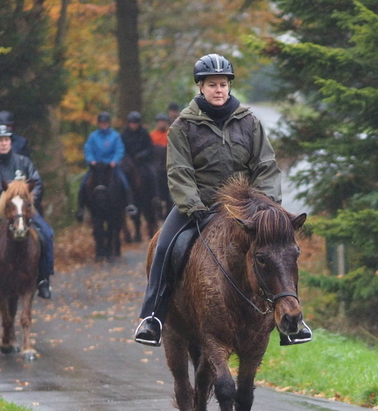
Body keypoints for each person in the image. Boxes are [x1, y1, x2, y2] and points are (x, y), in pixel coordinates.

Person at [133, 53, 312, 347]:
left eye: (223, 84)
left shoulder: (249, 122)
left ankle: (292, 320)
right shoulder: (182, 126)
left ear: (229, 86)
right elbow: (179, 171)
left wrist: (265, 206)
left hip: (246, 209)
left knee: (280, 251)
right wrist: (194, 207)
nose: (219, 90)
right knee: (166, 247)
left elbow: (266, 165)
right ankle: (152, 317)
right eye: (212, 84)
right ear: (200, 87)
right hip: (198, 207)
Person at [0, 125, 53, 299]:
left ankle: (44, 279)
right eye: (0, 141)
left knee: (47, 234)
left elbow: (36, 184)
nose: (3, 143)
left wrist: (27, 202)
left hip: (22, 212)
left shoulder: (24, 163)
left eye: (6, 140)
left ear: (11, 142)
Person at [76, 112, 136, 221]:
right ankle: (80, 209)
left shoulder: (115, 136)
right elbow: (88, 149)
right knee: (84, 183)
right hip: (97, 167)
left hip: (111, 167)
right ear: (99, 123)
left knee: (124, 181)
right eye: (102, 122)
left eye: (105, 122)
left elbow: (119, 149)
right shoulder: (93, 136)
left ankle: (129, 204)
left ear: (108, 123)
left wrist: (115, 161)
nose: (104, 124)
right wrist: (91, 160)